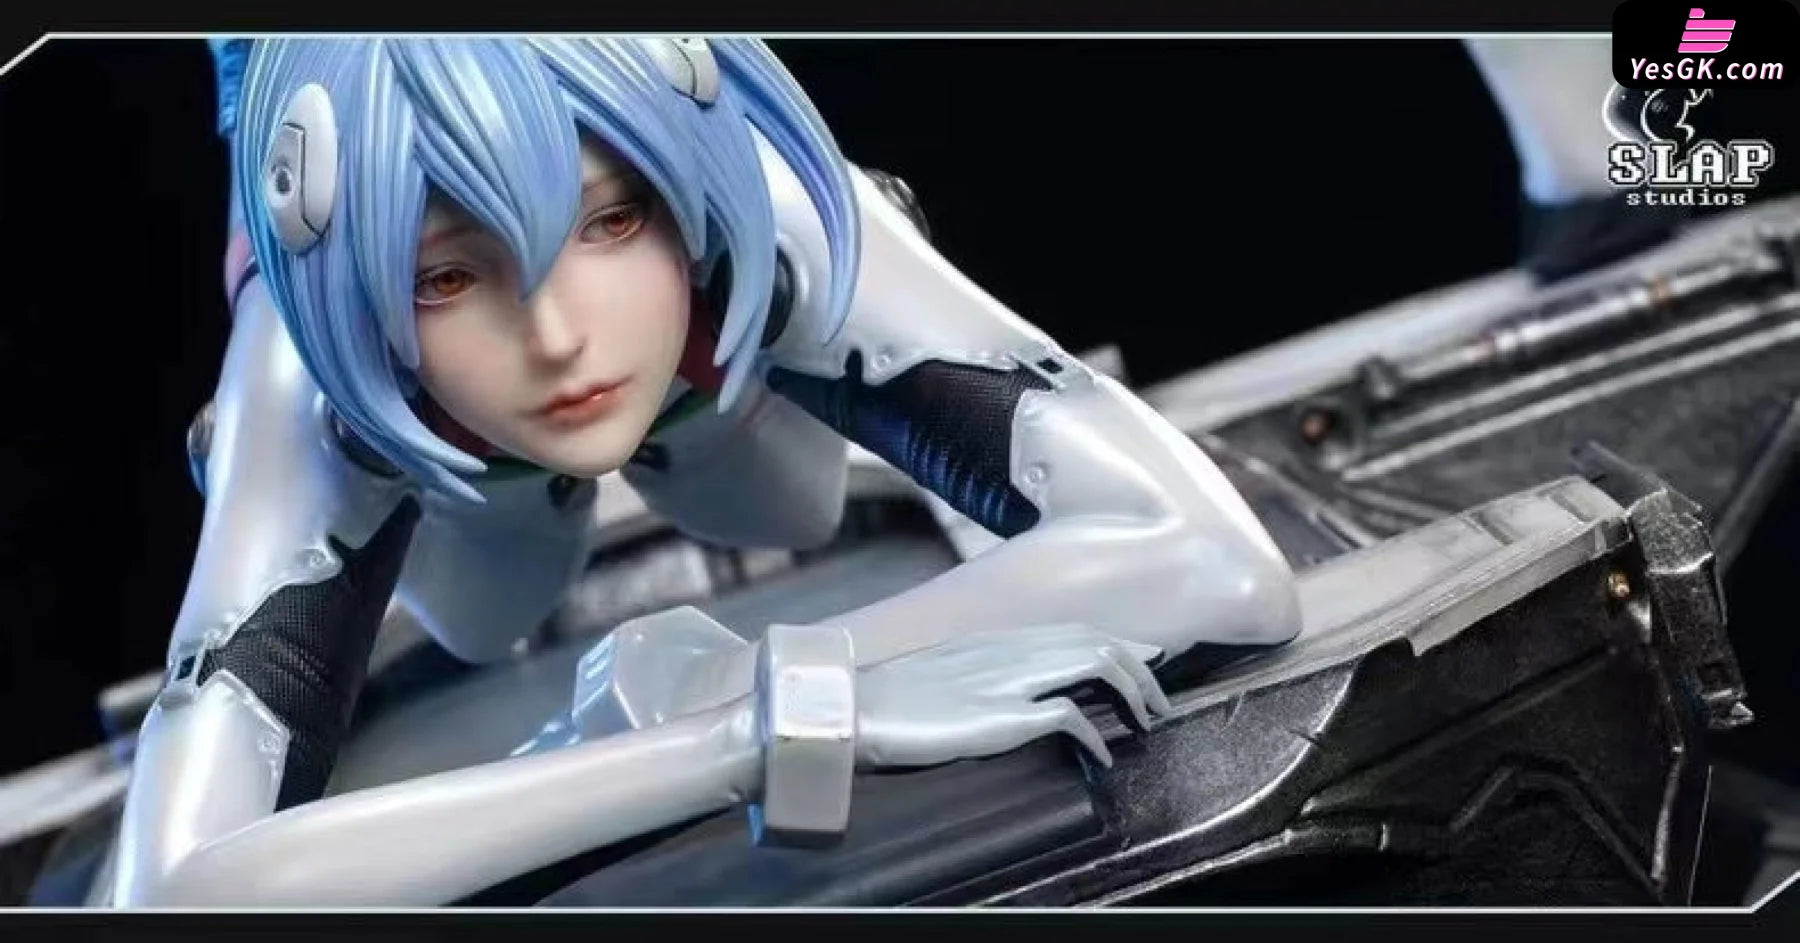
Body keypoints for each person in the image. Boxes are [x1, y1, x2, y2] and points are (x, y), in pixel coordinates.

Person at [110, 37, 1301, 905]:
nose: (560, 335)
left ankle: (692, 404)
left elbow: (1220, 568)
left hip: (723, 387)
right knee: (487, 604)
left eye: (611, 223)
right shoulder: (308, 371)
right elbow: (172, 893)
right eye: (449, 277)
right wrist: (743, 731)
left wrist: (721, 677)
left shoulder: (759, 205)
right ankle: (494, 473)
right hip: (455, 473)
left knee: (778, 498)